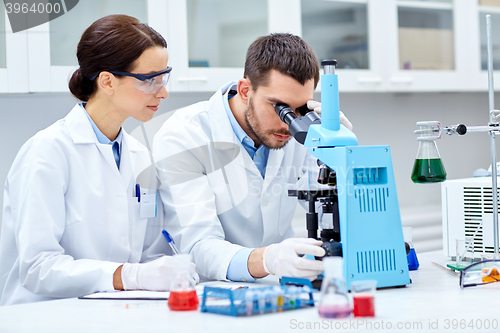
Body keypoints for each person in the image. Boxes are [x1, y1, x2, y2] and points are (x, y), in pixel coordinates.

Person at [0, 14, 197, 306]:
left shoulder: (139, 155)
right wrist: (127, 276)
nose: (163, 92)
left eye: (163, 77)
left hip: (113, 312)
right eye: (150, 80)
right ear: (107, 81)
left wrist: (174, 270)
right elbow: (38, 268)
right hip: (44, 315)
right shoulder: (47, 152)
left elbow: (150, 252)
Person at [153, 33, 352, 282]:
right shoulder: (184, 136)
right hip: (214, 294)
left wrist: (344, 156)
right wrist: (267, 259)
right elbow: (197, 245)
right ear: (245, 90)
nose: (288, 124)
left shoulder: (303, 133)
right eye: (280, 107)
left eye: (300, 110)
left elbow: (335, 210)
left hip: (281, 287)